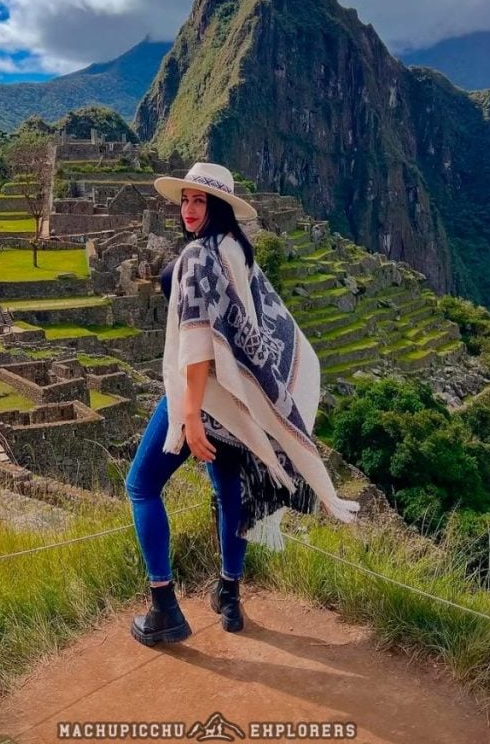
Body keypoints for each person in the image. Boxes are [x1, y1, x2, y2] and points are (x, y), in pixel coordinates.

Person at [126, 162, 360, 647]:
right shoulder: (237, 252)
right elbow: (265, 325)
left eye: (199, 201)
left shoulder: (199, 257)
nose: (189, 209)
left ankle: (163, 606)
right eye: (186, 200)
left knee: (141, 487)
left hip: (201, 399)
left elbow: (197, 342)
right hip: (238, 406)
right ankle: (229, 597)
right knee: (229, 497)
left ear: (219, 208)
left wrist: (189, 415)